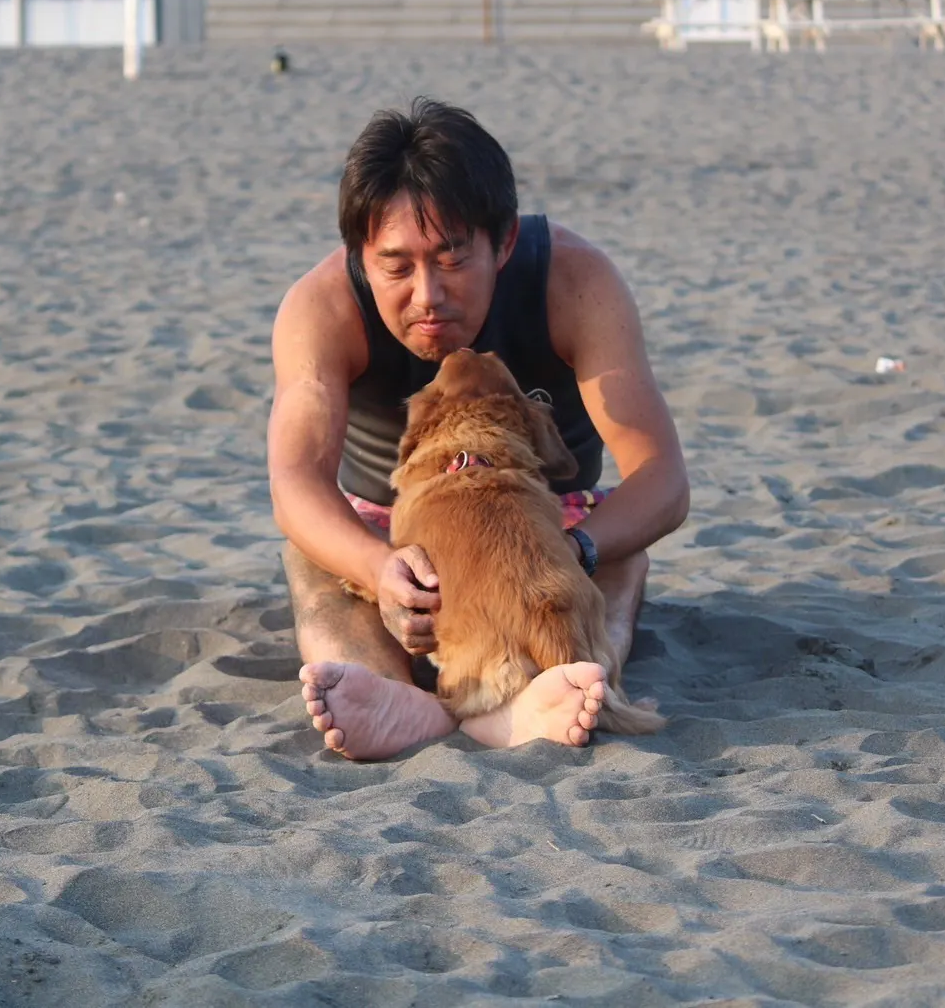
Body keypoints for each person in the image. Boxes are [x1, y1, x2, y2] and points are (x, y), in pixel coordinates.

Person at [267, 97, 688, 761]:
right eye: (396, 267)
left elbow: (661, 478)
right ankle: (391, 692)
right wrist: (377, 568)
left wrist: (573, 551)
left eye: (452, 259)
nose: (427, 295)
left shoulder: (574, 282)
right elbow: (295, 483)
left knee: (619, 556)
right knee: (314, 559)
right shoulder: (321, 307)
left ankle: (564, 683)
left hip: (547, 525)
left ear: (505, 241)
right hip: (391, 533)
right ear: (360, 255)